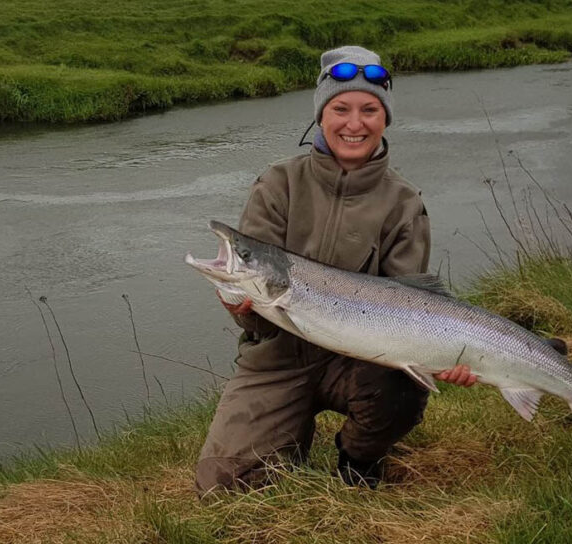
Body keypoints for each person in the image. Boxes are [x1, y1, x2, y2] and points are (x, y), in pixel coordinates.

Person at [194, 45, 478, 494]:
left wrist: (448, 355)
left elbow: (412, 302)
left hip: (360, 363)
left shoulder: (404, 203)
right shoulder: (278, 183)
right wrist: (240, 306)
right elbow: (254, 308)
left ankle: (359, 458)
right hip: (277, 362)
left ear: (384, 118)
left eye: (369, 109)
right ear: (321, 115)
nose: (354, 123)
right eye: (340, 108)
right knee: (225, 488)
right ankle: (287, 435)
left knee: (400, 386)